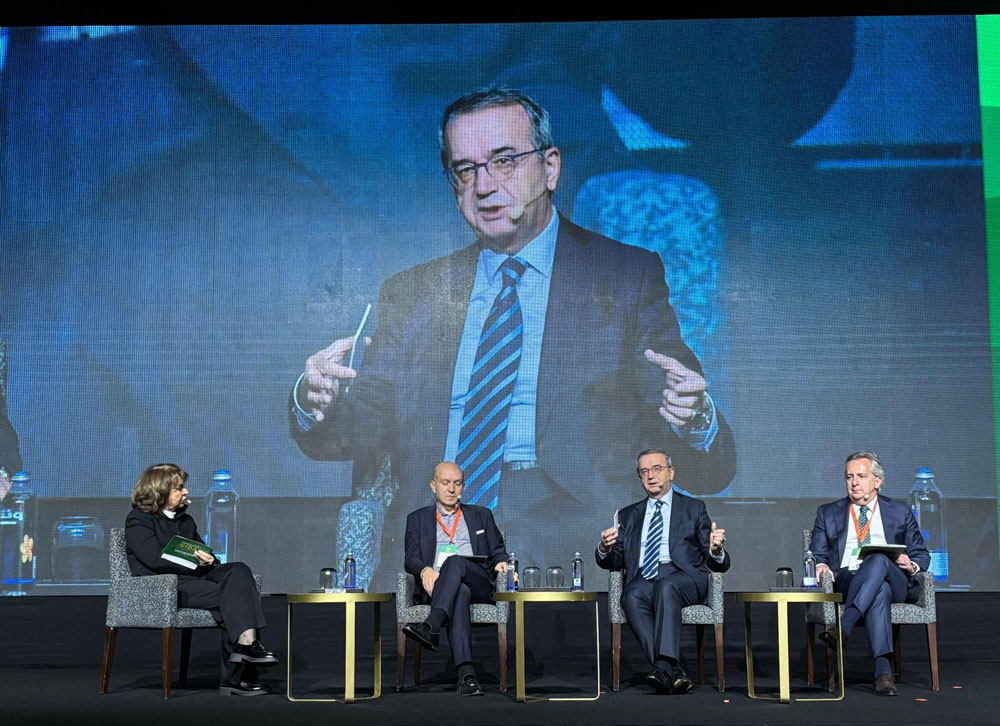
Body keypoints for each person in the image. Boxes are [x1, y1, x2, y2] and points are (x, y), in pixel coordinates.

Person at [290, 86, 736, 579]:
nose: (483, 186)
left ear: (550, 168)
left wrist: (694, 417)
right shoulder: (413, 294)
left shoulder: (624, 278)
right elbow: (356, 435)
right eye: (465, 169)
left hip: (574, 532)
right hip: (438, 531)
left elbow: (709, 467)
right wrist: (316, 402)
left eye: (504, 161)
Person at [124, 463, 277, 696]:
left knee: (238, 570)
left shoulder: (185, 521)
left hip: (196, 578)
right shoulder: (138, 519)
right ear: (160, 491)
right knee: (237, 597)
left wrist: (209, 559)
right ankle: (240, 669)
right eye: (179, 488)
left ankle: (245, 647)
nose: (186, 492)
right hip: (165, 585)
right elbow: (153, 558)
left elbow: (203, 552)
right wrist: (194, 562)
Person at [596, 449, 729, 694]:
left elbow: (715, 559)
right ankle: (669, 670)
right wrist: (604, 548)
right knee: (631, 595)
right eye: (644, 471)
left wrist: (716, 550)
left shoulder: (693, 508)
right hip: (645, 578)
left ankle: (664, 666)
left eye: (657, 468)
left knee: (666, 586)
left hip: (684, 577)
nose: (651, 476)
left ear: (671, 473)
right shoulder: (628, 515)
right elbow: (615, 561)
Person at [809, 451, 930, 696]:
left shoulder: (899, 511)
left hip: (896, 580)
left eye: (861, 476)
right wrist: (819, 565)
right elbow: (817, 554)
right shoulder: (828, 512)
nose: (854, 482)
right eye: (849, 477)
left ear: (877, 481)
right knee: (879, 589)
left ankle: (845, 624)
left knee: (878, 559)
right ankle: (883, 673)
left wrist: (911, 564)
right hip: (848, 579)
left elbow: (922, 555)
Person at [402, 461, 509, 696]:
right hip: (437, 587)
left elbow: (498, 550)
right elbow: (411, 559)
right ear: (433, 485)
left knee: (455, 562)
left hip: (478, 581)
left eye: (457, 483)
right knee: (459, 591)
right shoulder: (417, 519)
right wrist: (425, 571)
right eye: (445, 483)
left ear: (463, 487)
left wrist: (502, 561)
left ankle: (432, 624)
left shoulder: (481, 515)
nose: (451, 489)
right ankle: (467, 676)